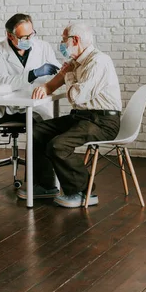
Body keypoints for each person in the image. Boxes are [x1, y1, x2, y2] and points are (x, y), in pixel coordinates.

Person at [30, 22, 121, 208]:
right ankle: (46, 185)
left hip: (103, 121)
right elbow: (53, 84)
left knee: (58, 145)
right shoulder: (76, 62)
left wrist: (69, 75)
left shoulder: (98, 62)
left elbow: (76, 97)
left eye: (64, 40)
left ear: (75, 40)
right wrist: (44, 87)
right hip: (82, 117)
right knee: (37, 131)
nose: (62, 44)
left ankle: (83, 192)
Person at [0, 13, 61, 196]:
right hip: (6, 104)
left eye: (31, 34)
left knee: (44, 128)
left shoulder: (43, 47)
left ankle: (41, 181)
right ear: (9, 36)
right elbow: (4, 80)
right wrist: (34, 73)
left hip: (33, 104)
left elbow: (56, 74)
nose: (29, 39)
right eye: (23, 37)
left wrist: (49, 81)